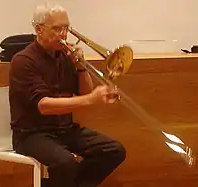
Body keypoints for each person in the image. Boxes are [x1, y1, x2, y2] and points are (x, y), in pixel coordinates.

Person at [9, 2, 126, 187]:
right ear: (39, 29)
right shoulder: (23, 61)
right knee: (65, 162)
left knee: (114, 151)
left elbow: (85, 91)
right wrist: (90, 100)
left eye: (66, 28)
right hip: (31, 134)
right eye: (56, 29)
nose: (63, 35)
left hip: (64, 128)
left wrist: (81, 66)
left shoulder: (65, 56)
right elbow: (44, 106)